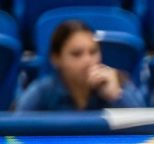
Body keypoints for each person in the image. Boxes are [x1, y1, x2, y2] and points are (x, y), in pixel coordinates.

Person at [14, 20, 145, 112]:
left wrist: (116, 96)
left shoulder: (117, 83)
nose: (88, 60)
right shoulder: (42, 92)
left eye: (93, 52)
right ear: (56, 58)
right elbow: (14, 134)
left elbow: (146, 131)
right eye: (77, 54)